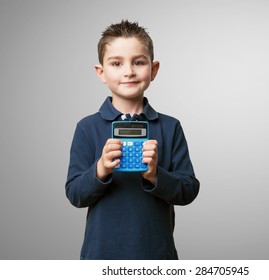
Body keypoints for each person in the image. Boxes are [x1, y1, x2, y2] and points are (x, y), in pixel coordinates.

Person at [65, 20, 200, 260]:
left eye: (138, 62)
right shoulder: (87, 128)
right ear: (101, 72)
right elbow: (75, 194)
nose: (128, 71)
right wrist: (100, 169)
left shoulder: (170, 127)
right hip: (101, 256)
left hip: (156, 255)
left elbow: (188, 190)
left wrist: (155, 175)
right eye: (116, 63)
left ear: (154, 69)